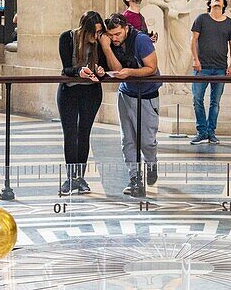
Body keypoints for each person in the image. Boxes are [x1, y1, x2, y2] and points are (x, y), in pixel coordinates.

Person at [99, 13, 160, 197]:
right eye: (111, 35)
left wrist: (130, 72)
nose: (114, 38)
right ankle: (134, 178)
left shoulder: (141, 40)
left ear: (126, 28)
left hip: (147, 94)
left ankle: (151, 163)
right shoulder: (110, 43)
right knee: (128, 140)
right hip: (126, 93)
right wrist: (106, 47)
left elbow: (151, 68)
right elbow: (117, 69)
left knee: (147, 141)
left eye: (117, 34)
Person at [58, 11, 106, 196]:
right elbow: (66, 69)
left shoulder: (99, 43)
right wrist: (79, 72)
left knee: (84, 133)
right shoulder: (67, 38)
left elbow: (104, 67)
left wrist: (100, 71)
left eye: (99, 32)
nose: (96, 36)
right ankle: (70, 177)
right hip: (69, 91)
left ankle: (80, 178)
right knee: (70, 134)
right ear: (83, 29)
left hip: (91, 92)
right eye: (93, 32)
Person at [190, 0, 231, 145]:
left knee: (215, 102)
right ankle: (201, 131)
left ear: (224, 4)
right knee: (197, 99)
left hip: (220, 68)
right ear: (210, 2)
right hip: (201, 67)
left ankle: (211, 132)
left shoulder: (229, 23)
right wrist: (196, 60)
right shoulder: (202, 19)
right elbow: (193, 41)